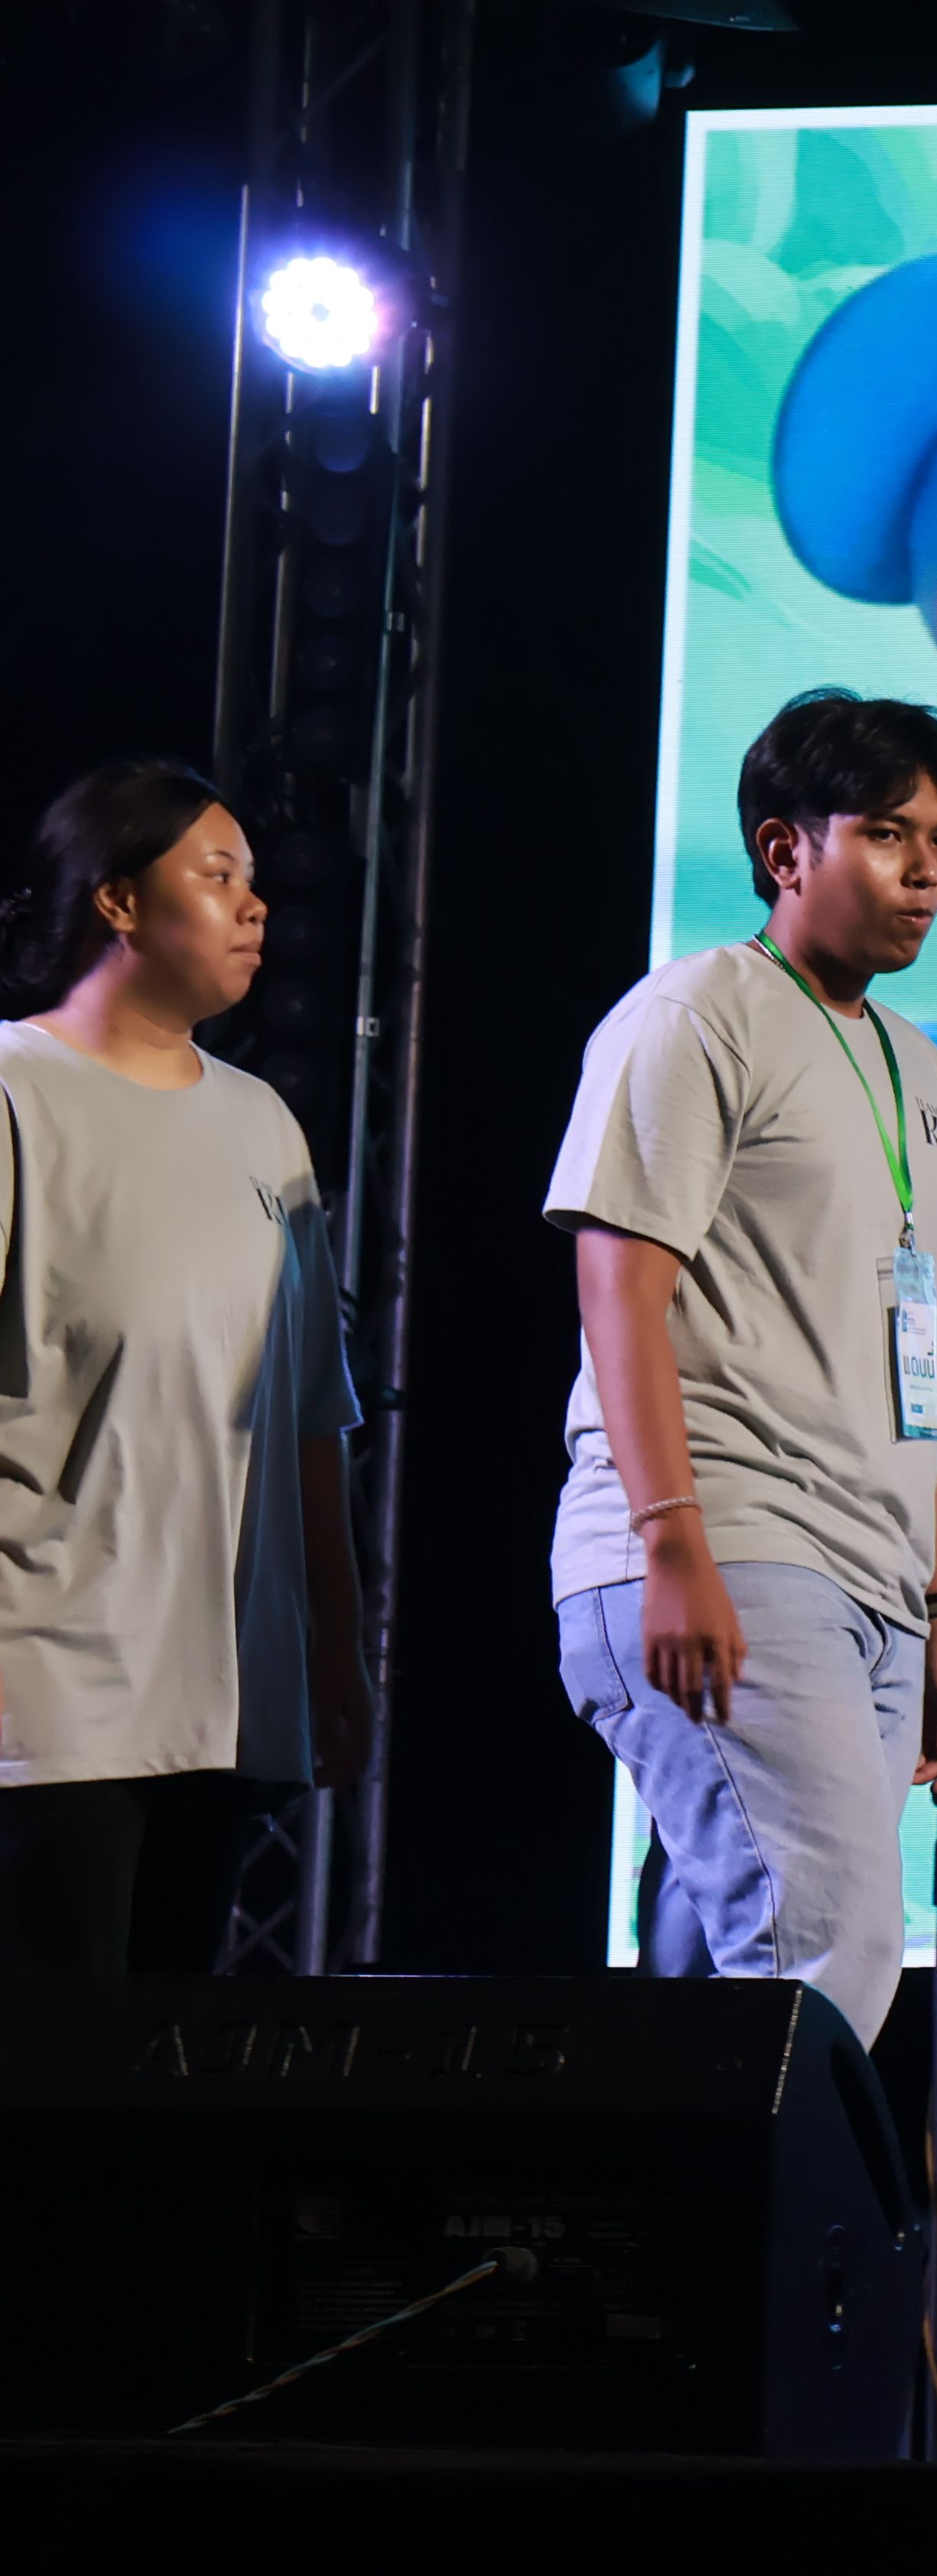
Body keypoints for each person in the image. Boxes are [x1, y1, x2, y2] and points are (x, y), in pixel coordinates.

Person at [551, 689, 937, 2046]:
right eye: (888, 834)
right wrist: (674, 1543)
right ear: (785, 850)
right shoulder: (696, 1014)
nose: (926, 870)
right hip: (731, 1542)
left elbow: (921, 1359)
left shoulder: (918, 1067)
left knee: (738, 1978)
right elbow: (619, 1287)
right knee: (826, 1952)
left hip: (871, 1578)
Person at [0, 763, 365, 1973]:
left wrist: (335, 1649)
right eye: (217, 876)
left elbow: (310, 1418)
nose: (255, 904)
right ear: (117, 901)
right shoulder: (18, 1089)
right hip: (50, 1711)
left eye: (255, 879)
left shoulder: (265, 1125)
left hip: (227, 1712)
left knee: (165, 2070)